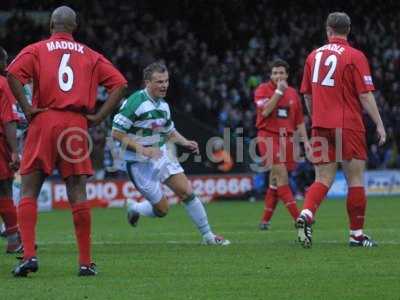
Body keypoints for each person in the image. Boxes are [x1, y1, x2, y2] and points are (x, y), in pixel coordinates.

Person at [7, 6, 127, 276]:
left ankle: (28, 256)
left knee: (28, 191)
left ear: (51, 24)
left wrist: (26, 107)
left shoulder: (36, 49)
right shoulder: (90, 54)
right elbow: (120, 83)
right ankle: (85, 263)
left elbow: (12, 74)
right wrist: (97, 116)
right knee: (77, 193)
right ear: (74, 28)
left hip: (45, 119)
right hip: (75, 123)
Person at [111, 62, 230, 246]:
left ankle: (208, 236)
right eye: (159, 82)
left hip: (160, 156)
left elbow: (168, 131)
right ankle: (135, 208)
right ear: (147, 82)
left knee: (187, 192)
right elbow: (116, 133)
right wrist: (142, 149)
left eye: (166, 81)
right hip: (138, 163)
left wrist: (185, 142)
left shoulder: (163, 106)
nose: (164, 85)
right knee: (162, 210)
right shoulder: (135, 102)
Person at [297, 12, 386, 248]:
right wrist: (379, 123)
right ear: (348, 30)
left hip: (320, 124)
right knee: (355, 179)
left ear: (328, 30)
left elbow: (306, 94)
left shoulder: (313, 56)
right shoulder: (355, 56)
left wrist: (316, 117)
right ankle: (356, 235)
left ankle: (306, 213)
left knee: (322, 178)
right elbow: (365, 95)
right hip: (349, 125)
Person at [254, 59, 309, 230]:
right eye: (275, 73)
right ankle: (298, 218)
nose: (278, 76)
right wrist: (278, 92)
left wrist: (305, 142)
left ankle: (265, 221)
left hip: (288, 139)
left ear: (287, 74)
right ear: (270, 75)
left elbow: (299, 121)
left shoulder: (293, 93)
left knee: (275, 181)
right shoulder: (262, 90)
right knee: (282, 176)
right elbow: (265, 111)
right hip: (268, 138)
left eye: (281, 73)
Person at [0, 47, 22, 253]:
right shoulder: (3, 84)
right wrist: (15, 151)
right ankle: (14, 239)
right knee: (4, 189)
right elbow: (8, 120)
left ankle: (14, 237)